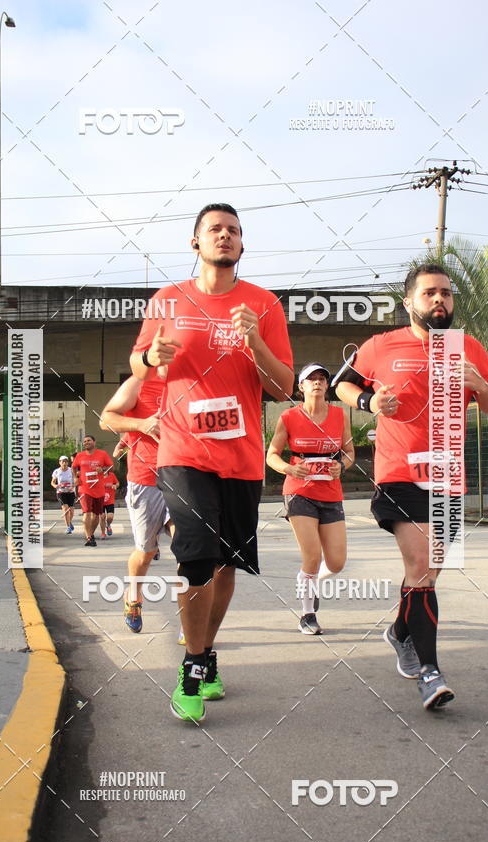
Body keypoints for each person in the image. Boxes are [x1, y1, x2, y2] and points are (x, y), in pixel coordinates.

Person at [130, 202, 293, 722]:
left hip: (242, 457)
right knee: (195, 557)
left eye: (234, 231)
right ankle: (193, 665)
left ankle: (206, 652)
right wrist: (150, 358)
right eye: (215, 230)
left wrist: (254, 343)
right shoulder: (168, 300)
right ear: (195, 243)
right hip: (182, 452)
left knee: (226, 566)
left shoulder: (263, 305)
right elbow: (139, 362)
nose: (225, 236)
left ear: (242, 246)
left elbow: (282, 386)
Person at [335, 263, 488, 710]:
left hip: (448, 474)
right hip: (399, 472)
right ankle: (430, 673)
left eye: (446, 294)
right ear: (409, 301)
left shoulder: (467, 347)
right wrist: (371, 400)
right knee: (422, 565)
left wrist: (479, 383)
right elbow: (342, 386)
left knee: (428, 573)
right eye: (430, 293)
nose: (440, 301)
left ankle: (400, 631)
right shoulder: (380, 345)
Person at [266, 364, 354, 636]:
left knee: (337, 562)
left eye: (321, 378)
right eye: (310, 379)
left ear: (327, 386)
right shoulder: (289, 417)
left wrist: (343, 465)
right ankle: (307, 614)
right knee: (312, 556)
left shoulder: (340, 415)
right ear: (301, 387)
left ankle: (310, 583)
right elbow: (272, 455)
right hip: (299, 492)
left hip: (330, 493)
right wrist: (289, 468)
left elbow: (349, 452)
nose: (317, 383)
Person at [100, 374, 169, 633]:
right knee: (146, 552)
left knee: (190, 548)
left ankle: (191, 623)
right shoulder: (140, 382)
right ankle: (134, 595)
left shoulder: (194, 381)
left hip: (184, 478)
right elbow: (106, 418)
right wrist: (141, 425)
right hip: (146, 480)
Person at [71, 436, 114, 547]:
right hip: (84, 488)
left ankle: (91, 534)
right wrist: (75, 478)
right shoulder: (80, 456)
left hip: (99, 489)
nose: (86, 442)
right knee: (87, 512)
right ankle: (89, 537)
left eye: (89, 440)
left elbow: (111, 467)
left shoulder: (102, 454)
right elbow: (73, 467)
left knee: (96, 515)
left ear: (94, 442)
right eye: (85, 441)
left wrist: (103, 469)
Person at [50, 455, 76, 533]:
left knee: (71, 511)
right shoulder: (57, 471)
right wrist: (56, 486)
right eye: (63, 461)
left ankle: (69, 522)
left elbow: (76, 480)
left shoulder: (71, 470)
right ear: (59, 462)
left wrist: (73, 486)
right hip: (61, 492)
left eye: (66, 461)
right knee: (65, 509)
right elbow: (52, 482)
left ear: (68, 462)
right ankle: (68, 527)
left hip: (70, 492)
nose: (64, 463)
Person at [99, 468, 120, 540]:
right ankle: (103, 533)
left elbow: (117, 483)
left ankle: (108, 525)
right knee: (102, 517)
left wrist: (115, 486)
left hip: (110, 500)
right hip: (100, 500)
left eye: (105, 469)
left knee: (110, 517)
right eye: (103, 469)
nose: (104, 470)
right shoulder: (98, 476)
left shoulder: (112, 475)